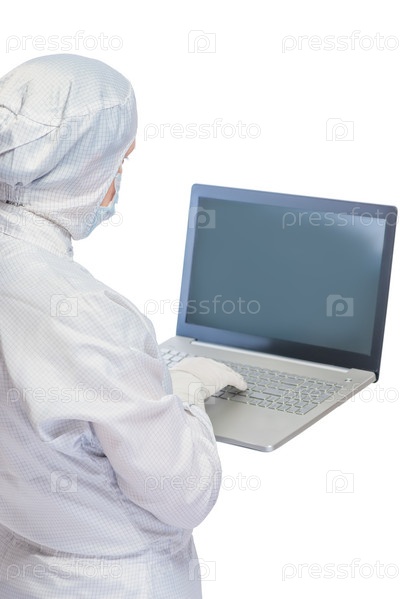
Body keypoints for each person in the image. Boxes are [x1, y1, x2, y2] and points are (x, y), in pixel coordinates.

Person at [0, 54, 246, 598]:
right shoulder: (86, 313)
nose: (116, 180)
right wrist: (185, 396)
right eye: (119, 160)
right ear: (83, 164)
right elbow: (185, 493)